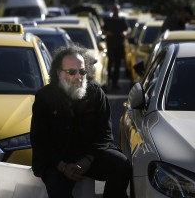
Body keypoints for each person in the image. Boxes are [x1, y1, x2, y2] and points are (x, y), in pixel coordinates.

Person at [30, 45, 131, 198]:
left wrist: (88, 160)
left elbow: (105, 134)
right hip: (57, 161)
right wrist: (62, 166)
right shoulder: (45, 97)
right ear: (58, 73)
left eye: (82, 71)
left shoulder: (96, 94)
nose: (79, 77)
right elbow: (39, 140)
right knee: (58, 190)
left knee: (121, 165)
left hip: (89, 156)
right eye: (72, 72)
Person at [102, 4, 130, 90]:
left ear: (119, 10)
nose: (115, 11)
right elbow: (103, 30)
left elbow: (128, 29)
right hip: (110, 45)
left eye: (117, 10)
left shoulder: (122, 20)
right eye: (114, 9)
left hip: (119, 45)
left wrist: (125, 32)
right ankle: (108, 82)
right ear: (112, 10)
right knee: (109, 64)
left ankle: (115, 83)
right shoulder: (108, 20)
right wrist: (107, 33)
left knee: (117, 65)